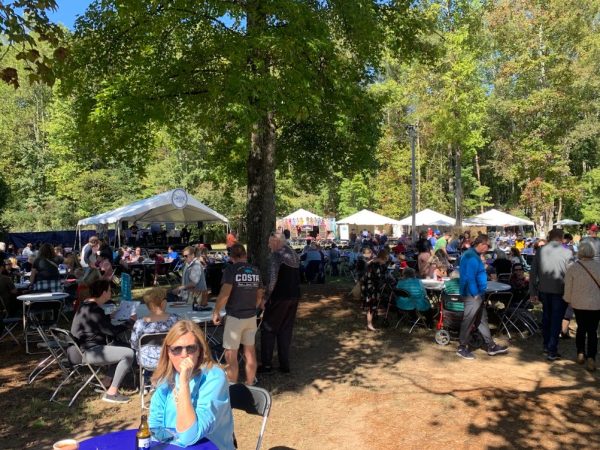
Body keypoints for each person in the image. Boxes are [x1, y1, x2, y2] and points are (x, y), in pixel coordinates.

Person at [149, 320, 235, 449]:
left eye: (191, 348)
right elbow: (155, 425)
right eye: (177, 349)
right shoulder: (167, 377)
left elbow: (189, 436)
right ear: (168, 352)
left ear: (200, 350)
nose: (184, 355)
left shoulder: (214, 377)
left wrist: (184, 383)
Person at [70, 279, 134, 403]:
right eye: (110, 291)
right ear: (104, 293)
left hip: (81, 348)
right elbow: (112, 331)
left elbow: (99, 323)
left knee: (120, 346)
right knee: (129, 353)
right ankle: (111, 393)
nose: (111, 293)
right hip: (90, 352)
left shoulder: (86, 306)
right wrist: (129, 323)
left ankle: (106, 382)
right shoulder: (95, 310)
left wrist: (109, 316)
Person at [212, 244, 264, 384]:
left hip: (235, 317)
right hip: (251, 317)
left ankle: (233, 388)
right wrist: (253, 306)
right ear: (245, 255)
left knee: (231, 355)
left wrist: (216, 310)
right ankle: (250, 383)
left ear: (231, 257)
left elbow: (224, 294)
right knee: (250, 352)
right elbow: (259, 294)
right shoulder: (255, 270)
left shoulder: (231, 270)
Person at [456, 234, 508, 360]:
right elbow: (470, 277)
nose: (488, 248)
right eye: (487, 245)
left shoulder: (473, 255)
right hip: (472, 295)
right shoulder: (471, 257)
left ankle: (490, 346)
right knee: (468, 320)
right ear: (481, 244)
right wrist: (475, 294)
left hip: (477, 294)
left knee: (482, 320)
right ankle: (462, 347)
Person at [529, 228, 574, 361]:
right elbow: (571, 274)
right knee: (555, 319)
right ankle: (552, 349)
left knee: (547, 317)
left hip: (544, 290)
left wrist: (533, 291)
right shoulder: (567, 252)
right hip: (560, 290)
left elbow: (533, 273)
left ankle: (546, 344)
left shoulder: (541, 251)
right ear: (561, 238)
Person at [259, 232, 301, 374]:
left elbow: (272, 281)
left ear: (276, 242)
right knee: (285, 330)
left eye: (270, 242)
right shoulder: (293, 254)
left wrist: (265, 298)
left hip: (279, 297)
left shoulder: (276, 255)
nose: (268, 245)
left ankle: (266, 364)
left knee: (268, 329)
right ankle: (284, 364)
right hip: (294, 296)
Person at [563, 241, 600, 372]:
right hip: (596, 304)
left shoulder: (573, 267)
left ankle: (580, 352)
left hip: (578, 303)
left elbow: (568, 287)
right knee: (592, 331)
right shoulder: (599, 266)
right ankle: (591, 357)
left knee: (581, 328)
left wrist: (567, 300)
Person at [130, 287, 179, 370]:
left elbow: (134, 344)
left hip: (147, 360)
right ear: (163, 303)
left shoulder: (140, 323)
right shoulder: (175, 320)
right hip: (170, 358)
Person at [361, 249, 389, 331]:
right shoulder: (374, 265)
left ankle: (371, 321)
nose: (386, 261)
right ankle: (369, 325)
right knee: (370, 306)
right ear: (382, 257)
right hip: (371, 288)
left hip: (371, 287)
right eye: (386, 259)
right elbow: (376, 277)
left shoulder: (374, 262)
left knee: (372, 306)